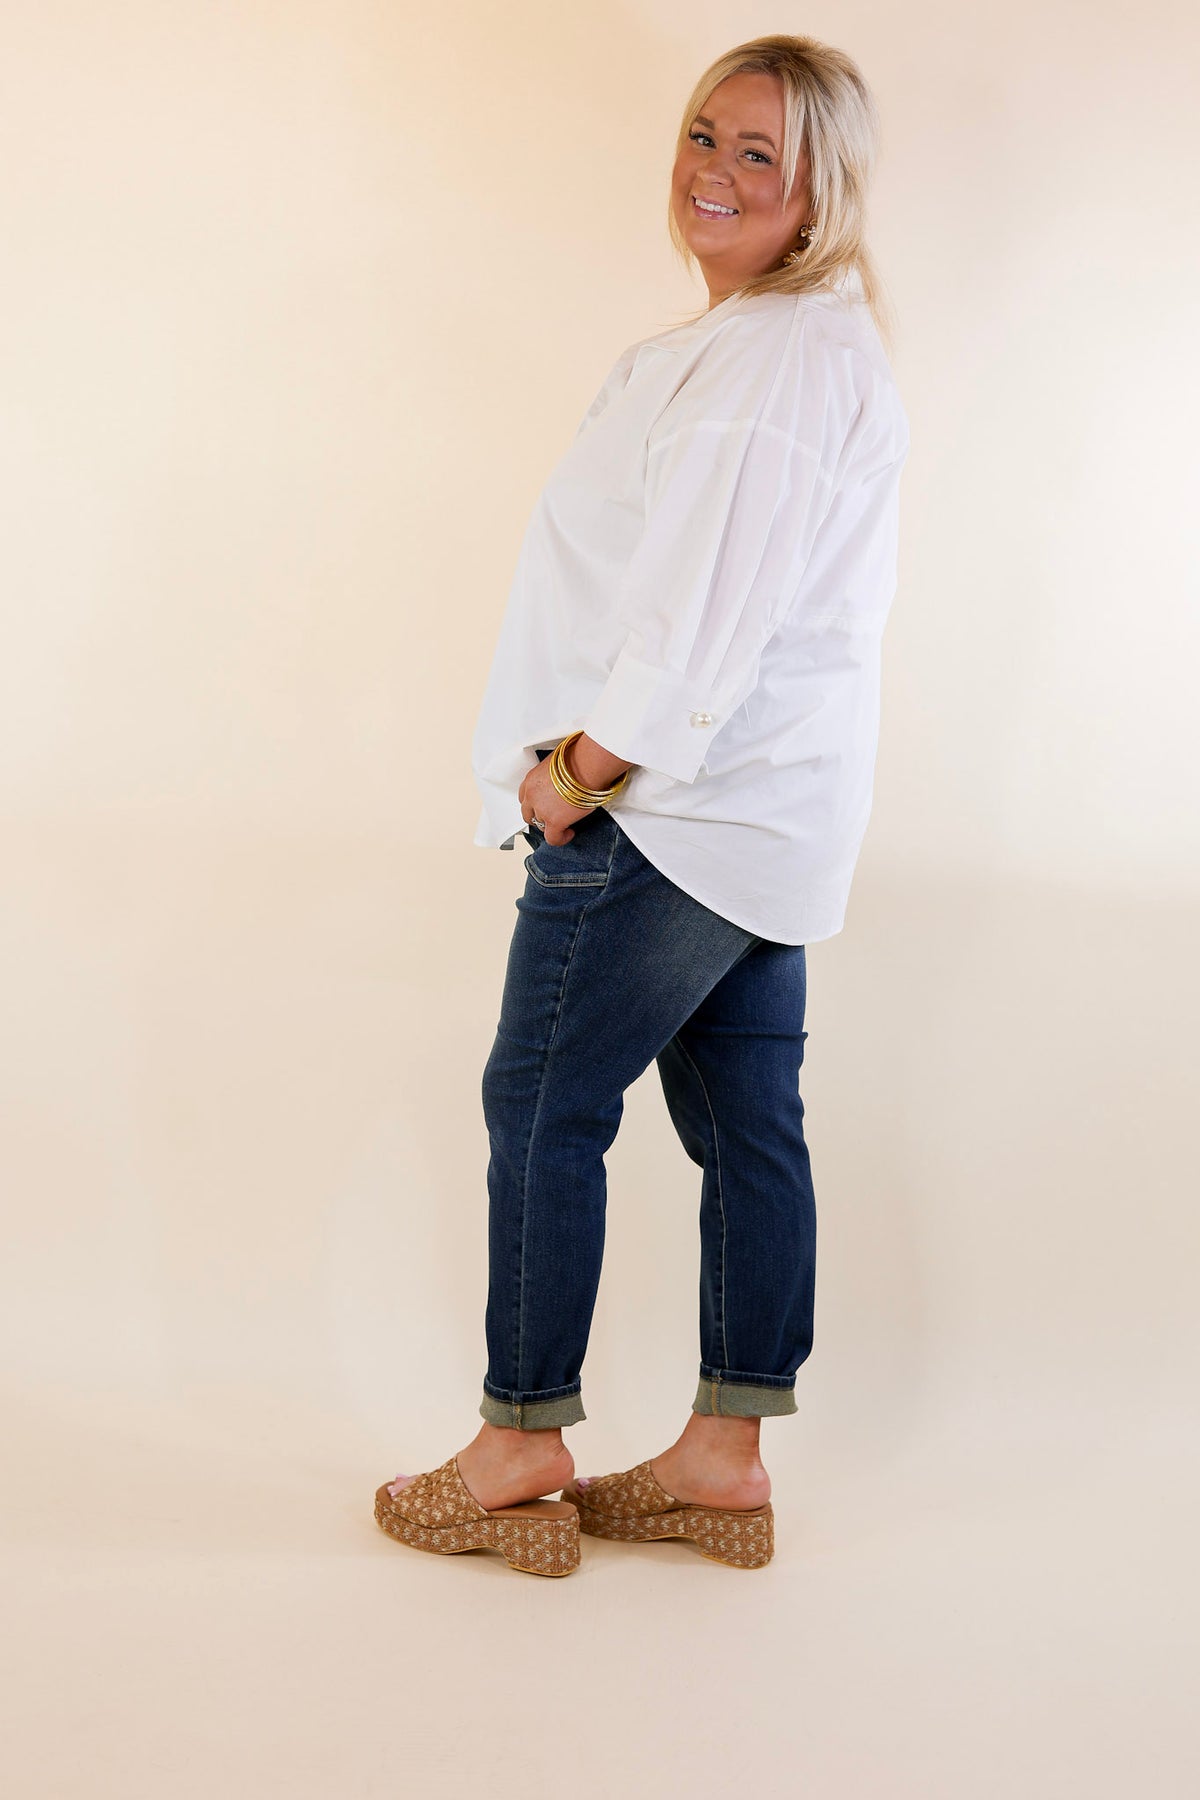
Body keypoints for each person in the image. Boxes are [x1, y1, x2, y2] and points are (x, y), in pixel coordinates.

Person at [374, 33, 910, 1575]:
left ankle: (517, 1448)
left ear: (821, 190)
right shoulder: (787, 346)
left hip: (670, 818)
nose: (713, 172)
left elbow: (699, 626)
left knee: (543, 1106)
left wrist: (578, 775)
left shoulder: (768, 368)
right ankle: (721, 1462)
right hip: (763, 822)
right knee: (749, 1125)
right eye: (702, 134)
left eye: (759, 153)